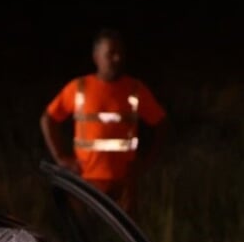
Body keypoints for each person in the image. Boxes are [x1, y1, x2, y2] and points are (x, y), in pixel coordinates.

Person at [40, 28, 166, 213]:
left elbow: (161, 123)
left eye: (120, 53)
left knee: (122, 239)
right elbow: (48, 119)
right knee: (84, 236)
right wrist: (60, 157)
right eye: (110, 54)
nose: (117, 59)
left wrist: (146, 162)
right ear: (96, 57)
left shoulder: (134, 89)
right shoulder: (79, 88)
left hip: (124, 184)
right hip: (85, 183)